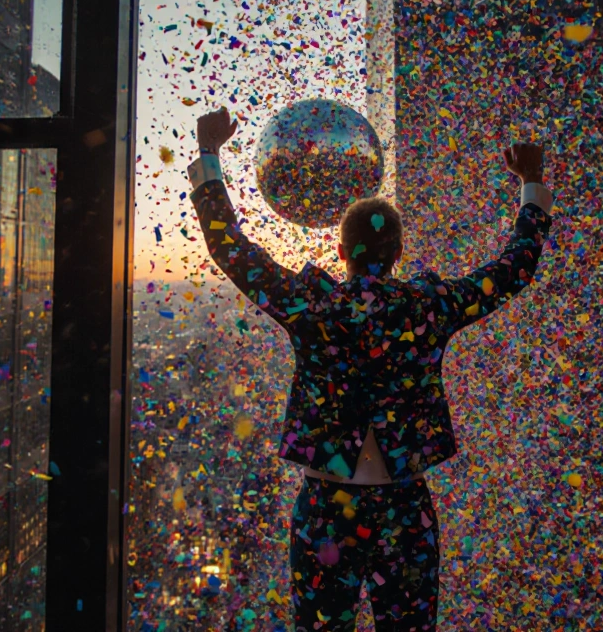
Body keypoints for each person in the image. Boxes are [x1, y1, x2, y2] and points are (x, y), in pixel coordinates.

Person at [188, 107, 554, 631]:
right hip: (406, 508)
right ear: (399, 252)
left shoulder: (313, 307)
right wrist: (532, 186)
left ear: (341, 252)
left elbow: (232, 251)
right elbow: (512, 269)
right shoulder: (427, 307)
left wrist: (209, 156)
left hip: (324, 511)